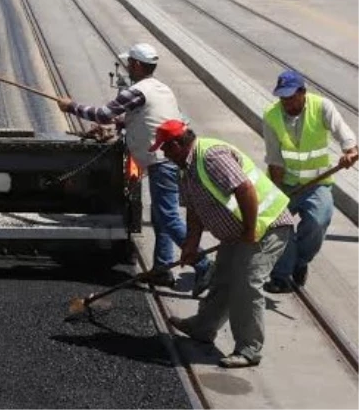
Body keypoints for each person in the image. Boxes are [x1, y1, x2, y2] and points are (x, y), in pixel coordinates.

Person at [56, 42, 212, 293]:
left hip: (162, 162)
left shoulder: (137, 90)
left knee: (169, 217)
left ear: (138, 65)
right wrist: (120, 126)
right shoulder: (161, 89)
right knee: (160, 217)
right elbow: (148, 118)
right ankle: (162, 270)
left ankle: (204, 264)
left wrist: (72, 106)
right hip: (171, 160)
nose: (128, 67)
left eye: (130, 63)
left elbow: (104, 113)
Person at [154, 119, 293, 369]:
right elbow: (194, 211)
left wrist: (251, 230)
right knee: (223, 279)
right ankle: (202, 328)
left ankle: (249, 350)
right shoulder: (185, 169)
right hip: (238, 233)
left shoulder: (211, 156)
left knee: (246, 284)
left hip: (266, 226)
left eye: (164, 148)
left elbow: (245, 189)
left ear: (176, 144)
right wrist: (190, 244)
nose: (163, 153)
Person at [262, 69, 359, 293]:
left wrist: (350, 151)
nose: (286, 102)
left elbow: (342, 132)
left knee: (318, 221)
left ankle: (300, 261)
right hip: (284, 183)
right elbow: (274, 159)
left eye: (290, 97)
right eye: (282, 97)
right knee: (279, 225)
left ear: (303, 92)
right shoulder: (271, 115)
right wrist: (278, 197)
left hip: (316, 183)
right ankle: (280, 275)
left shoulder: (321, 106)